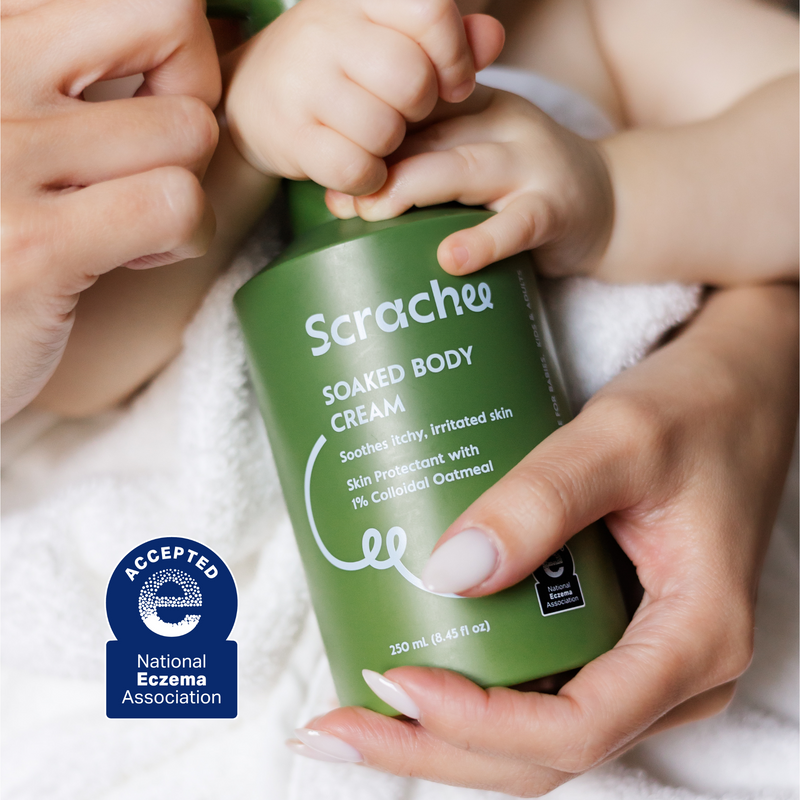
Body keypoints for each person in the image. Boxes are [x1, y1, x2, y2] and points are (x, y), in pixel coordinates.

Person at [1, 0, 797, 796]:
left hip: (599, 628)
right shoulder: (121, 82)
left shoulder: (595, 25)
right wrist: (237, 141)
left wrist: (615, 193)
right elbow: (78, 375)